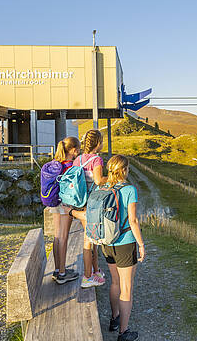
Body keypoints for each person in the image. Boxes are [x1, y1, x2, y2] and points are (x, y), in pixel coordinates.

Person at [101, 155, 145, 341]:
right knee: (126, 288)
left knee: (115, 283)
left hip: (107, 243)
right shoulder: (129, 190)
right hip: (125, 243)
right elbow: (133, 221)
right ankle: (123, 333)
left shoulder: (102, 187)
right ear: (124, 170)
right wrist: (141, 244)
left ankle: (114, 319)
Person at [67, 129, 107, 288]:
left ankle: (96, 271)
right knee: (88, 240)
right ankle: (87, 277)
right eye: (101, 141)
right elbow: (98, 181)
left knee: (93, 238)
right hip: (91, 204)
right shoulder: (96, 160)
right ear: (97, 143)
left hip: (80, 201)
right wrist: (110, 178)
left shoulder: (78, 159)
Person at [50, 136, 80, 284]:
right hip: (65, 204)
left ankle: (57, 269)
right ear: (73, 150)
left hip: (54, 202)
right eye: (78, 151)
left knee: (57, 235)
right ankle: (62, 274)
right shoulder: (69, 166)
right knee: (63, 236)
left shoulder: (56, 164)